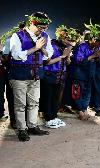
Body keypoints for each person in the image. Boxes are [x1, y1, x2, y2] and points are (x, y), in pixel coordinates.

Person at [9, 12, 53, 141]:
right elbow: (16, 55)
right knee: (20, 104)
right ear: (32, 23)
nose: (43, 30)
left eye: (45, 28)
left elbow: (48, 55)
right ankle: (22, 129)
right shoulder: (17, 35)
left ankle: (33, 126)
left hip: (35, 75)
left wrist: (43, 49)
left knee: (34, 103)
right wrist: (35, 47)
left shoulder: (45, 36)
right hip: (19, 75)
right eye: (40, 27)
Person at [39, 25, 75, 128]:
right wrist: (62, 56)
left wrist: (67, 57)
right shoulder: (53, 46)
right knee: (48, 98)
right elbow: (47, 62)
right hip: (49, 75)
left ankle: (54, 116)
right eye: (67, 38)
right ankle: (48, 118)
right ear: (61, 37)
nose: (69, 41)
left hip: (60, 76)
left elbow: (67, 63)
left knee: (56, 98)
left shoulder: (65, 48)